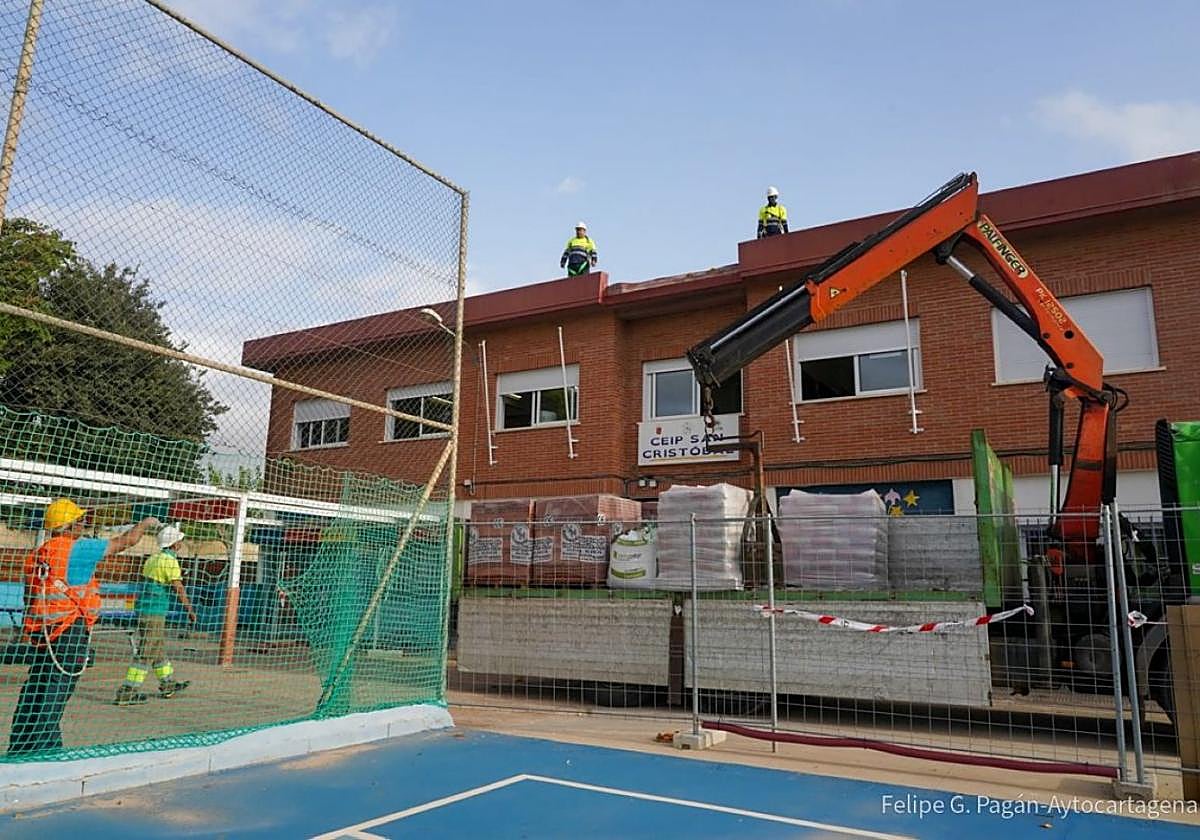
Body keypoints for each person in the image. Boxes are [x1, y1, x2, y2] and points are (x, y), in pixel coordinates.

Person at [8, 499, 159, 755]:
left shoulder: (38, 555)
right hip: (69, 632)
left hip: (45, 635)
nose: (83, 525)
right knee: (56, 693)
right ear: (69, 526)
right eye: (80, 521)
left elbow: (29, 598)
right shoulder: (77, 549)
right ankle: (45, 753)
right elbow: (125, 542)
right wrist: (146, 523)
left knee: (36, 688)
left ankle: (21, 747)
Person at [113, 523, 197, 706]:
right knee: (146, 652)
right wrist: (189, 609)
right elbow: (178, 587)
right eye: (180, 540)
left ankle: (168, 684)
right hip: (155, 611)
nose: (181, 543)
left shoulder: (153, 558)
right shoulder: (170, 561)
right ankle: (127, 691)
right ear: (174, 544)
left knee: (157, 649)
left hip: (144, 608)